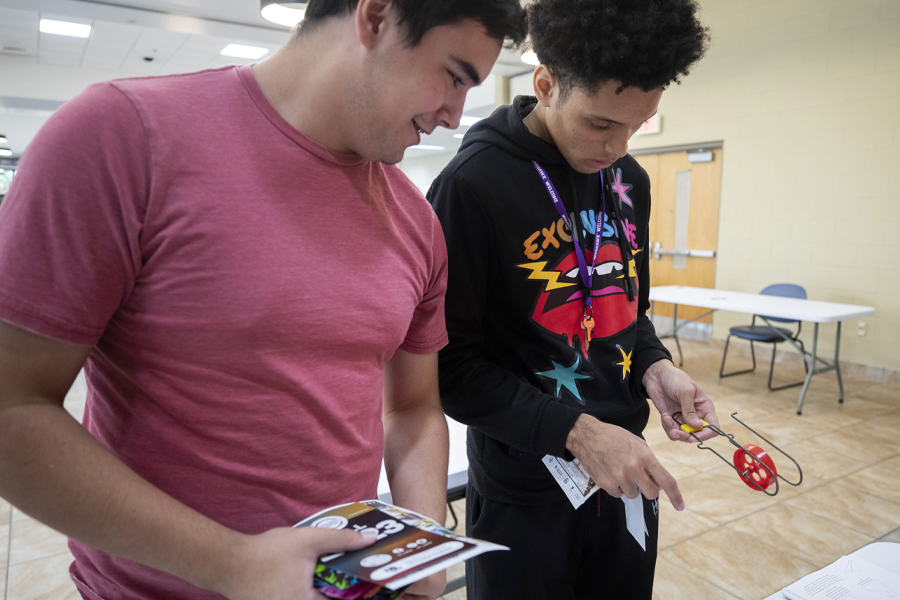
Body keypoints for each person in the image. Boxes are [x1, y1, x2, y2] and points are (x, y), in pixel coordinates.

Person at [0, 1, 526, 599]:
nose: (456, 116)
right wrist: (231, 563)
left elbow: (411, 409)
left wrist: (421, 548)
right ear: (377, 17)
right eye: (455, 76)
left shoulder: (416, 223)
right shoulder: (123, 136)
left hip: (339, 584)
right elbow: (11, 406)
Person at [428, 0, 719, 598]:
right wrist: (580, 433)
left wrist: (655, 366)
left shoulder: (627, 180)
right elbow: (449, 369)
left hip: (624, 472)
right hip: (525, 488)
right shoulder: (472, 186)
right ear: (546, 84)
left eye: (636, 125)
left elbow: (627, 309)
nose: (615, 147)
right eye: (600, 123)